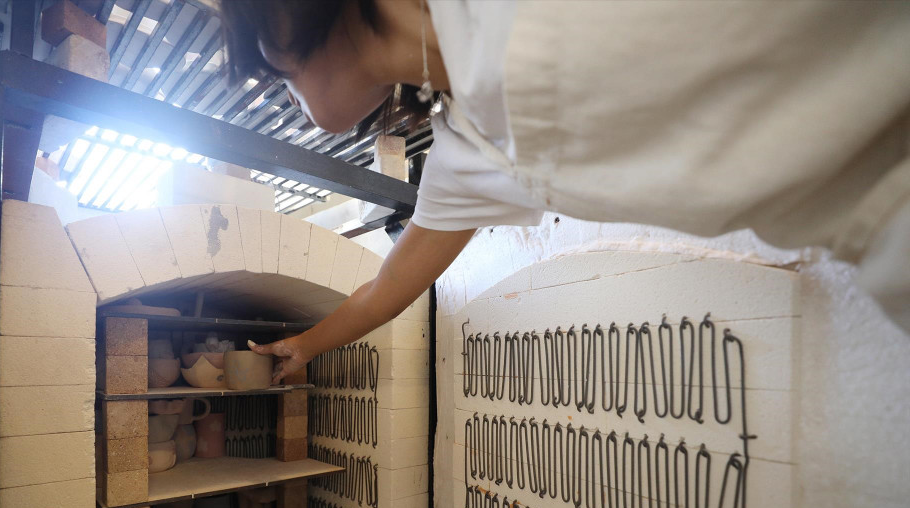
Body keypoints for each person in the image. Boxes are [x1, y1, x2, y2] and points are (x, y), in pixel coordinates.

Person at [219, 0, 910, 382]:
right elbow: (383, 289)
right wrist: (306, 345)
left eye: (278, 78)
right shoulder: (471, 153)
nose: (291, 97)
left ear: (282, 26)